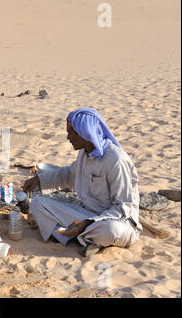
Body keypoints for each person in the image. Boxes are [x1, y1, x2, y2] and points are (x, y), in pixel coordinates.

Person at [23, 108, 142, 257]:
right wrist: (40, 180)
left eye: (71, 133)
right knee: (38, 204)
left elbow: (123, 208)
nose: (68, 137)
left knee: (110, 230)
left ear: (85, 133)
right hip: (85, 214)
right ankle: (86, 239)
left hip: (115, 221)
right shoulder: (85, 154)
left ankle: (79, 236)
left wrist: (88, 222)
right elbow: (67, 174)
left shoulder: (116, 161)